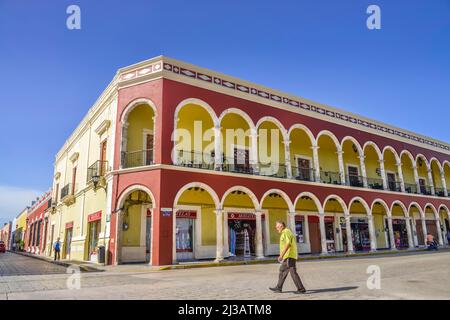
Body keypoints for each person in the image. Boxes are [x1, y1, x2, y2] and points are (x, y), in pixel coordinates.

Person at [269, 221, 306, 294]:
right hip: (288, 256)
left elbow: (288, 244)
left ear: (281, 226)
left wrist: (281, 255)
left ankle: (301, 289)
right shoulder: (285, 232)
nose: (276, 228)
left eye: (277, 226)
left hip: (290, 256)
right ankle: (278, 288)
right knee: (282, 270)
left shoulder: (286, 232)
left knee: (293, 272)